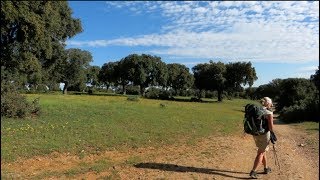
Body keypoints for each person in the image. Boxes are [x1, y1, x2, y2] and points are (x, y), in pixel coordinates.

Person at [249, 97, 274, 179]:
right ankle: (253, 171)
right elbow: (271, 127)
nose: (271, 105)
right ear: (268, 103)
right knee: (261, 152)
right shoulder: (268, 112)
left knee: (262, 150)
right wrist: (272, 134)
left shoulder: (257, 110)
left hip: (255, 134)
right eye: (271, 103)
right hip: (264, 134)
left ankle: (266, 168)